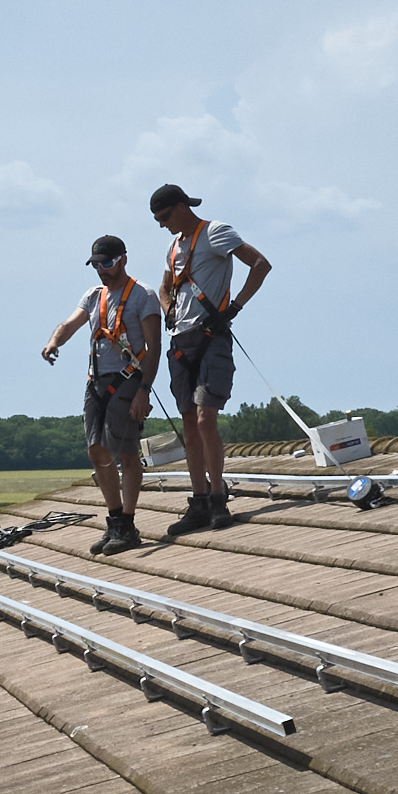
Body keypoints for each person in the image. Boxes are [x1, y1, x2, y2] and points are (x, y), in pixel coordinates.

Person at [150, 183, 270, 535]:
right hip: (180, 340)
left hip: (211, 334)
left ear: (183, 206)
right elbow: (164, 287)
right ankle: (199, 501)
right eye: (157, 220)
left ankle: (218, 497)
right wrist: (168, 307)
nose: (162, 224)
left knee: (205, 418)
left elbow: (260, 264)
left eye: (165, 216)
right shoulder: (174, 247)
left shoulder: (215, 232)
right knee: (188, 423)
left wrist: (234, 308)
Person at [41, 234, 160, 555]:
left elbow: (153, 348)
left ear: (123, 259)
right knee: (96, 450)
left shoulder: (143, 296)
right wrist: (54, 342)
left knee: (126, 453)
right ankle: (115, 519)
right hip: (95, 383)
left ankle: (128, 524)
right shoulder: (94, 297)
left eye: (106, 264)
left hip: (127, 382)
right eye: (96, 265)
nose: (101, 271)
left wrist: (144, 392)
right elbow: (69, 324)